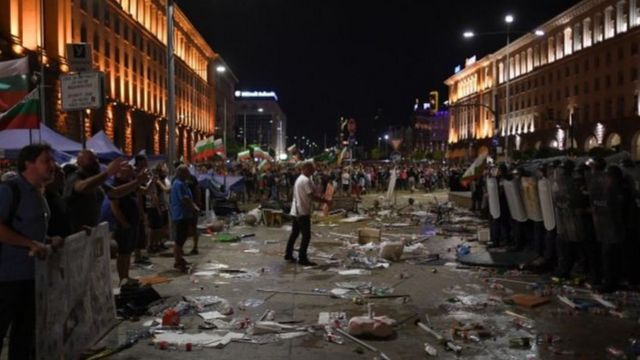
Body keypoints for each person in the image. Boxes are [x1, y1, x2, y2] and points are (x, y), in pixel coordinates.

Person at [0, 144, 61, 360]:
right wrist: (30, 244)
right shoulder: (9, 190)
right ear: (29, 163)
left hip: (32, 277)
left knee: (25, 335)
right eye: (46, 160)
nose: (52, 166)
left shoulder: (39, 195)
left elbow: (31, 233)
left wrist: (48, 240)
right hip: (6, 278)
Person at [64, 150, 127, 233]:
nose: (96, 162)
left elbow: (115, 192)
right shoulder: (74, 176)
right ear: (80, 162)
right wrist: (108, 173)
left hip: (92, 232)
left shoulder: (96, 180)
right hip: (76, 233)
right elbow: (82, 187)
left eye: (96, 158)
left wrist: (138, 182)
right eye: (91, 159)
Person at [285, 161, 330, 266]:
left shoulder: (302, 179)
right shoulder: (304, 180)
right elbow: (312, 196)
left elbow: (315, 191)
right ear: (306, 169)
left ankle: (288, 254)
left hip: (296, 210)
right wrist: (324, 201)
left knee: (294, 233)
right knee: (306, 236)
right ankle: (302, 258)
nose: (313, 171)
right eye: (311, 169)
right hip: (302, 211)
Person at [170, 165, 199, 272]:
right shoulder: (178, 184)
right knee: (179, 239)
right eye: (186, 172)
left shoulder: (183, 183)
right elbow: (184, 199)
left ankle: (180, 258)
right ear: (181, 173)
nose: (189, 174)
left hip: (185, 215)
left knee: (182, 238)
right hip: (180, 215)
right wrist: (194, 207)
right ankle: (177, 261)